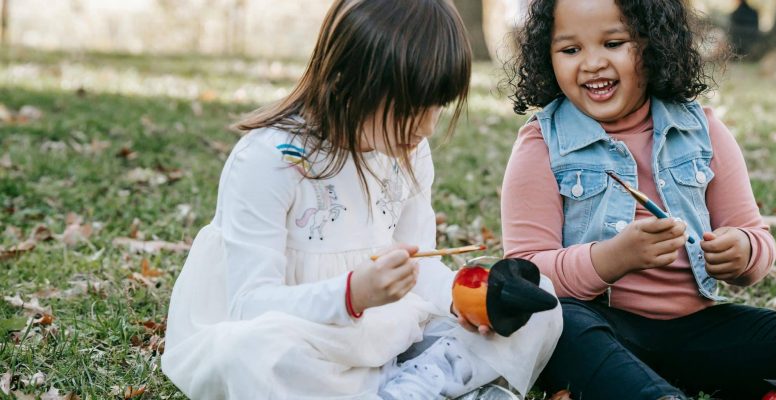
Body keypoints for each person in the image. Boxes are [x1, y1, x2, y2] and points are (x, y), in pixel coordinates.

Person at [500, 0, 776, 398]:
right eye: (570, 49)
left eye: (613, 43)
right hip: (603, 333)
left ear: (653, 43)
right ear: (546, 55)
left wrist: (743, 251)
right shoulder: (543, 144)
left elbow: (756, 238)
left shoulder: (703, 131)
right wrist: (612, 259)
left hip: (698, 332)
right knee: (561, 327)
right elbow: (526, 276)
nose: (592, 63)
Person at [160, 0, 562, 398]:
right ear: (347, 82)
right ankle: (430, 386)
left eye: (437, 107)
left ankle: (411, 389)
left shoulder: (408, 152)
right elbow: (250, 305)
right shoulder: (270, 159)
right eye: (410, 108)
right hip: (304, 338)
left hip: (387, 338)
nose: (425, 127)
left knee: (542, 306)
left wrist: (470, 300)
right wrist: (351, 295)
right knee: (248, 353)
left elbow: (419, 266)